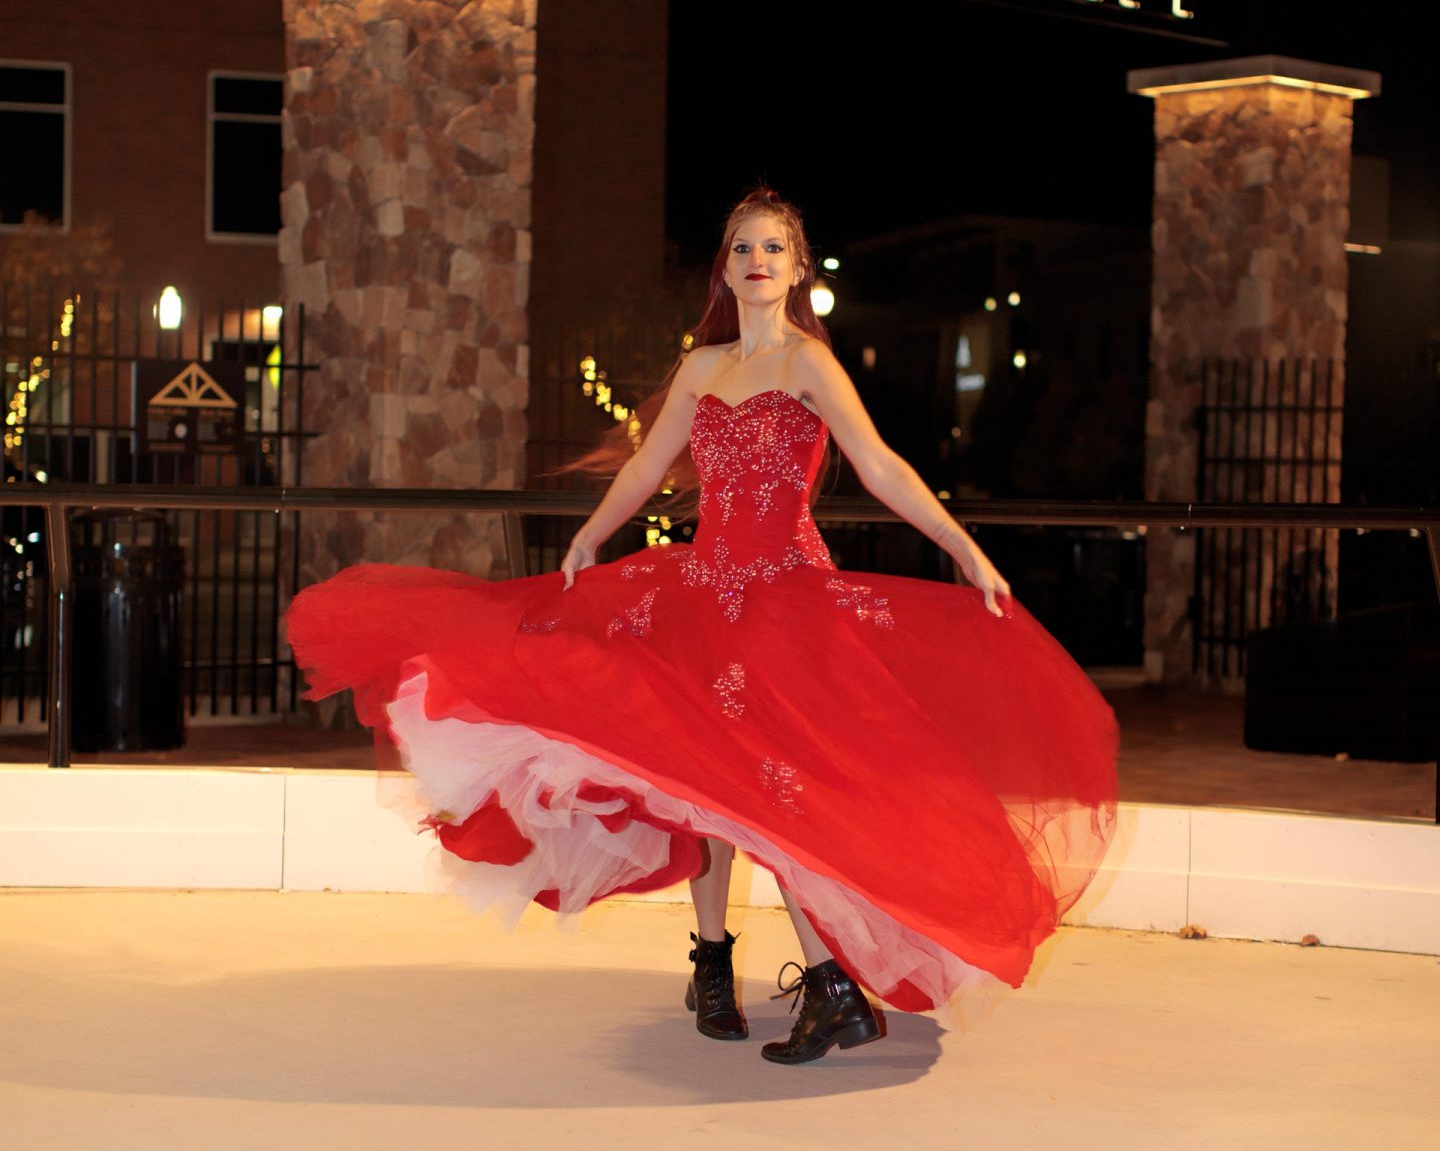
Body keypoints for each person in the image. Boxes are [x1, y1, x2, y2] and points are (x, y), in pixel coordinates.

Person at [287, 185, 1118, 1067]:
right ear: (725, 268)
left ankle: (834, 987)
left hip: (785, 597)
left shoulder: (808, 364)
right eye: (742, 249)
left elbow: (880, 465)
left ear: (798, 268)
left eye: (774, 249)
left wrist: (964, 549)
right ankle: (715, 966)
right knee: (699, 780)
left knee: (775, 790)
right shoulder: (700, 366)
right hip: (700, 590)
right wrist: (592, 533)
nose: (758, 262)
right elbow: (648, 465)